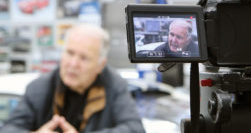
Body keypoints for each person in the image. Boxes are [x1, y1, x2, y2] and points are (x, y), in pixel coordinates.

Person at [0, 24, 145, 133]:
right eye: (70, 53)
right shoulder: (39, 88)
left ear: (100, 65)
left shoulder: (115, 86)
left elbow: (135, 129)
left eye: (84, 58)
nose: (73, 64)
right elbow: (9, 129)